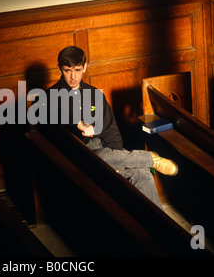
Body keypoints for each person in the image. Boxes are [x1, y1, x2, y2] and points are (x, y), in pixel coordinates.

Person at [43, 45, 178, 210]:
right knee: (98, 156)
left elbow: (111, 131)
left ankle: (161, 226)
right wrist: (77, 123)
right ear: (60, 69)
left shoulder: (95, 95)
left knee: (141, 173)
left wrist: (116, 164)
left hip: (107, 154)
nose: (73, 76)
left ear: (85, 67)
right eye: (67, 70)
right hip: (76, 153)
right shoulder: (50, 96)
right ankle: (149, 158)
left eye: (77, 70)